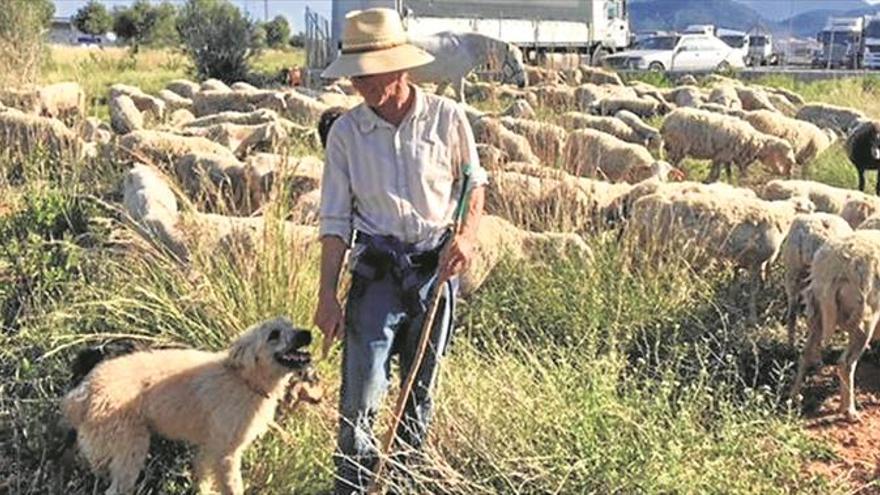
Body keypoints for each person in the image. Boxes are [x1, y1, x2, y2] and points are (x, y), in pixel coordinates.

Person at [313, 8, 487, 494]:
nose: (361, 88)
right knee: (362, 391)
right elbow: (334, 222)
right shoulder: (346, 135)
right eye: (355, 78)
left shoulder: (447, 118)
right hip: (377, 275)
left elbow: (473, 185)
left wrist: (466, 236)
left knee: (420, 389)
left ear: (400, 68)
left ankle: (408, 481)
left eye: (370, 76)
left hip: (433, 271)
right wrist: (327, 295)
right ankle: (355, 486)